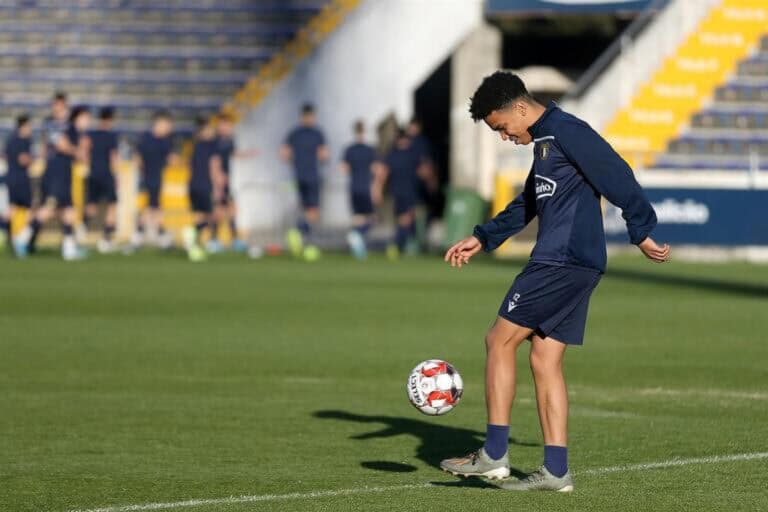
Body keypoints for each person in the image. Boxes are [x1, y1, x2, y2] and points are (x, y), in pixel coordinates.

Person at [440, 71, 670, 492]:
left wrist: (641, 228)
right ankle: (556, 470)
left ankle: (493, 454)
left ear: (521, 108)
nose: (504, 136)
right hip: (576, 262)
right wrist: (483, 236)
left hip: (560, 260)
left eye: (502, 127)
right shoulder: (547, 142)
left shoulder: (567, 131)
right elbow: (529, 200)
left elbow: (615, 171)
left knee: (499, 341)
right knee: (544, 359)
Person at [14, 106, 91, 260]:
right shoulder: (68, 128)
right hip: (57, 173)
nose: (88, 121)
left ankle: (68, 249)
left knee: (68, 211)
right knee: (48, 209)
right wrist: (78, 152)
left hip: (63, 173)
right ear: (78, 117)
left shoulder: (75, 132)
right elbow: (61, 145)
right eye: (86, 118)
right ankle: (22, 237)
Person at [280, 103, 328, 261]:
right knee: (313, 211)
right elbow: (323, 155)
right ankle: (301, 233)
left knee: (306, 208)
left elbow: (284, 154)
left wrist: (296, 161)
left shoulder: (294, 133)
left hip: (298, 176)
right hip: (312, 175)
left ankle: (304, 239)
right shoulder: (317, 133)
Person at [208, 113, 253, 253]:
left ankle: (233, 240)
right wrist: (217, 181)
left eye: (230, 125)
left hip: (227, 180)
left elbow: (232, 154)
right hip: (218, 181)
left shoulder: (229, 140)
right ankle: (214, 240)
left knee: (231, 210)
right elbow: (213, 162)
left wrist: (247, 154)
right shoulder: (214, 141)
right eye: (226, 124)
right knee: (219, 211)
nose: (228, 127)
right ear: (220, 125)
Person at [182, 116, 223, 262]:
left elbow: (188, 165)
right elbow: (214, 167)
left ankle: (195, 246)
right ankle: (192, 233)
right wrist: (218, 186)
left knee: (200, 215)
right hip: (206, 185)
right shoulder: (212, 146)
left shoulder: (194, 145)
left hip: (193, 184)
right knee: (214, 215)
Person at [133, 110, 174, 250]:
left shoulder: (165, 142)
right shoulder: (146, 138)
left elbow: (170, 159)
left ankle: (149, 235)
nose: (169, 128)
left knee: (154, 207)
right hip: (146, 178)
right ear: (159, 123)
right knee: (149, 208)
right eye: (167, 124)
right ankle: (144, 235)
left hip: (157, 178)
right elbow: (137, 157)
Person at [340, 120, 379, 260]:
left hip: (353, 187)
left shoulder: (349, 150)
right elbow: (376, 170)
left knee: (358, 218)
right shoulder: (370, 150)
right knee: (373, 219)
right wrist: (376, 188)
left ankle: (359, 247)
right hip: (365, 187)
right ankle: (357, 236)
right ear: (364, 131)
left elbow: (343, 169)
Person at [379, 128, 420, 259]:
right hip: (409, 191)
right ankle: (395, 246)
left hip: (396, 192)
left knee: (406, 219)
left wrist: (377, 189)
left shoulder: (392, 154)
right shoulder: (412, 153)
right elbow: (424, 170)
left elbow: (383, 173)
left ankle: (407, 245)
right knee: (405, 220)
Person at [84, 107, 119, 253]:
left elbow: (84, 150)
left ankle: (81, 230)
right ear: (110, 119)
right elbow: (113, 158)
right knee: (112, 206)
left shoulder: (91, 134)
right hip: (106, 174)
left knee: (91, 206)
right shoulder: (111, 136)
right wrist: (116, 175)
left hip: (93, 173)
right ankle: (106, 239)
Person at [1, 114, 33, 249]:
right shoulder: (22, 141)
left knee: (12, 209)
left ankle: (12, 236)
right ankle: (20, 239)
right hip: (20, 178)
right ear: (24, 126)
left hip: (11, 177)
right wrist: (34, 159)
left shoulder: (10, 139)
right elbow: (23, 159)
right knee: (27, 209)